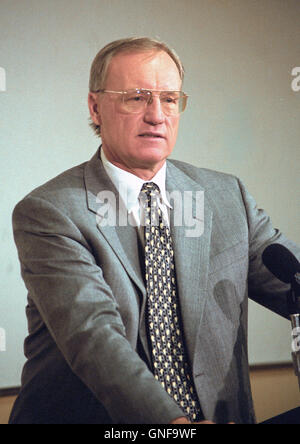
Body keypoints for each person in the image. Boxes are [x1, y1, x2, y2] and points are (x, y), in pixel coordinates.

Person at [9, 37, 299, 424]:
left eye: (169, 98)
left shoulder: (226, 196)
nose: (157, 115)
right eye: (137, 98)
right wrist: (175, 427)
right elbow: (95, 339)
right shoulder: (50, 212)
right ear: (95, 107)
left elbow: (292, 277)